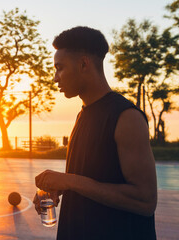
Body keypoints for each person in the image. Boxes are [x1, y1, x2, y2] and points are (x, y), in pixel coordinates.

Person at [33, 26, 157, 240]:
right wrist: (61, 187)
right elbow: (93, 180)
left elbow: (144, 201)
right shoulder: (84, 114)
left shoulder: (126, 116)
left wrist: (69, 181)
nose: (55, 78)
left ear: (83, 64)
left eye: (60, 68)